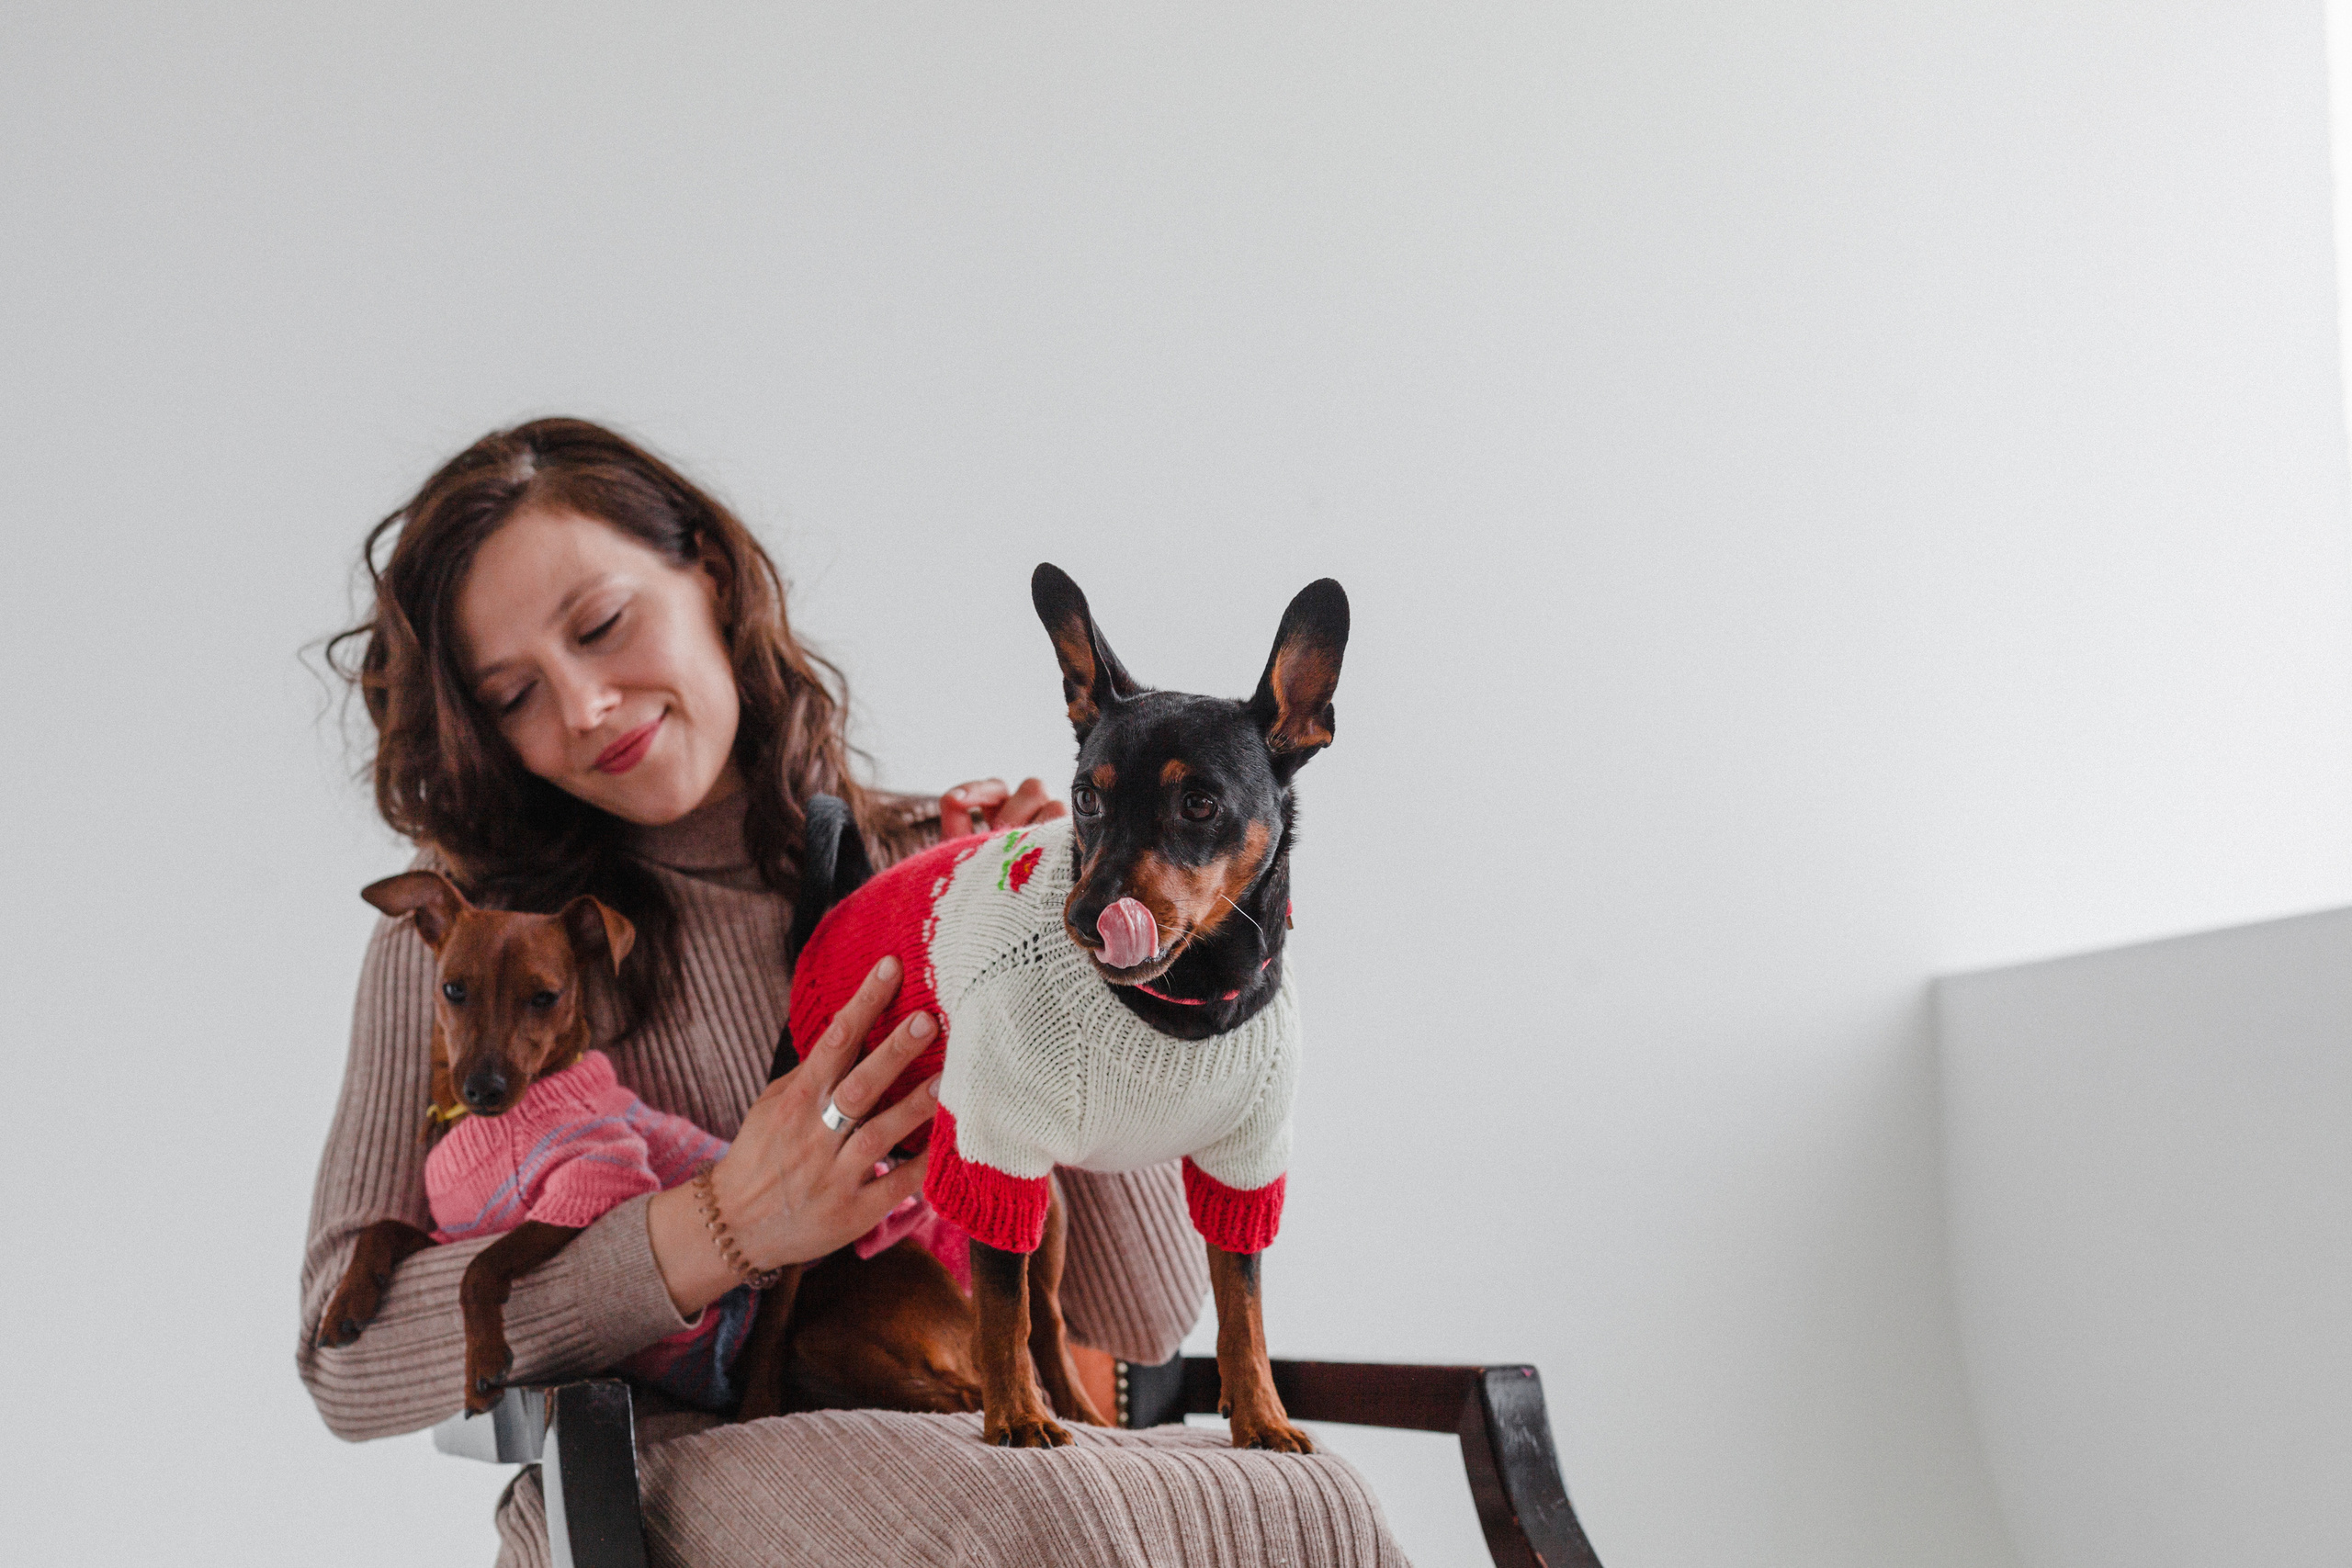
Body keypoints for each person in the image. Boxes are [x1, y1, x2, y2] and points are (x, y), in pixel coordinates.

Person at [297, 418, 1404, 1565]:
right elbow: (346, 1365)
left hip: (979, 1408)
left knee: (1318, 1511)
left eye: (602, 625)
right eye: (514, 693)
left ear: (709, 577)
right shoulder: (475, 950)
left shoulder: (972, 868)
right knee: (1038, 1525)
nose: (582, 705)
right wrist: (711, 1229)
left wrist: (1089, 983)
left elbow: (1140, 1317)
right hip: (674, 1473)